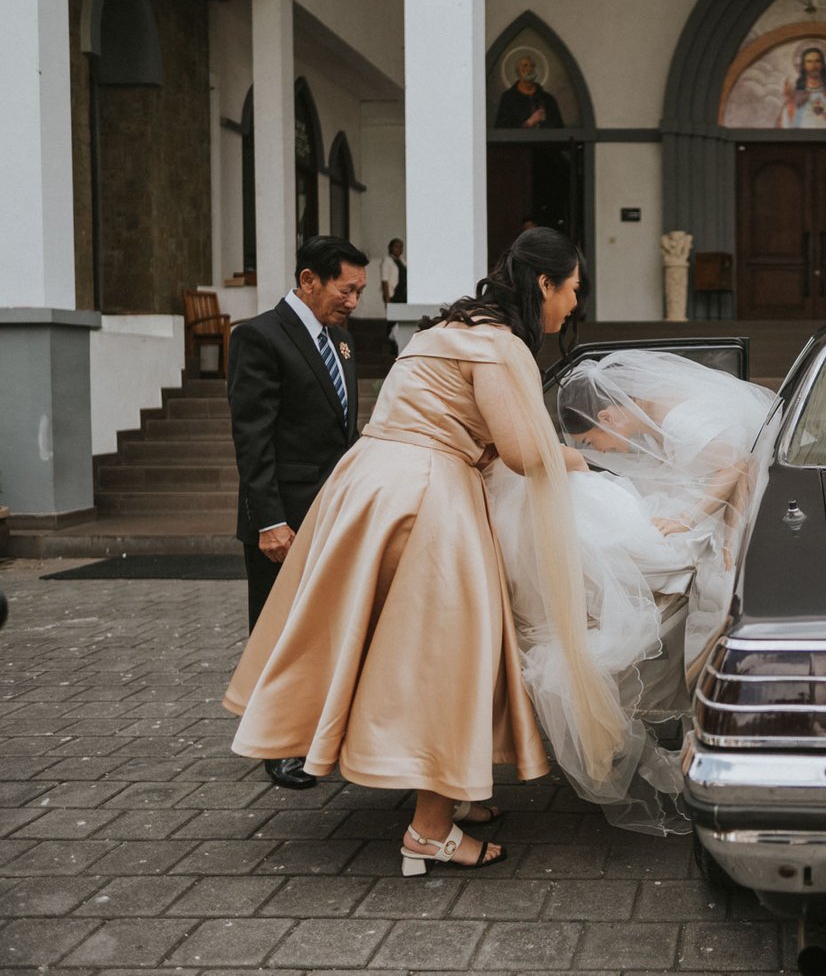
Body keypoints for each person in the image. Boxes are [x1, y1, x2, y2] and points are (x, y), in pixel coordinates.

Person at [224, 227, 624, 875]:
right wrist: (583, 461)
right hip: (427, 495)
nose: (575, 303)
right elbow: (523, 452)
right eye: (573, 289)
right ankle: (430, 831)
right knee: (452, 653)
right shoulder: (498, 346)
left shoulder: (442, 330)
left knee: (395, 649)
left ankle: (447, 789)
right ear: (544, 284)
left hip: (365, 486)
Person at [485, 350, 776, 833]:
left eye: (590, 441)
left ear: (608, 417)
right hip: (689, 505)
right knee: (599, 520)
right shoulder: (659, 413)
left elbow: (738, 469)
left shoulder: (680, 419)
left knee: (602, 531)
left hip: (702, 516)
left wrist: (692, 522)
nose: (599, 450)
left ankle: (584, 617)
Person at [227, 235, 369, 790]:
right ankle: (278, 746)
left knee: (320, 628)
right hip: (281, 520)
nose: (353, 301)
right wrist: (269, 521)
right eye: (345, 289)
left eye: (359, 291)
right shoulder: (259, 337)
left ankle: (318, 731)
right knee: (277, 631)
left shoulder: (342, 340)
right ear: (309, 280)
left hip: (331, 512)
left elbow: (342, 431)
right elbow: (253, 438)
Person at [494, 55, 565, 129]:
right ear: (518, 71)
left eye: (532, 66)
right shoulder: (508, 98)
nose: (529, 69)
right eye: (525, 65)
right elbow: (501, 130)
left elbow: (559, 129)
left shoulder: (547, 99)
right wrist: (529, 123)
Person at [377, 238, 407, 305]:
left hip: (403, 294)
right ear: (390, 248)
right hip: (393, 295)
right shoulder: (386, 262)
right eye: (396, 246)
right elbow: (384, 281)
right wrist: (387, 300)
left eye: (401, 247)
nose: (399, 249)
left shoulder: (402, 261)